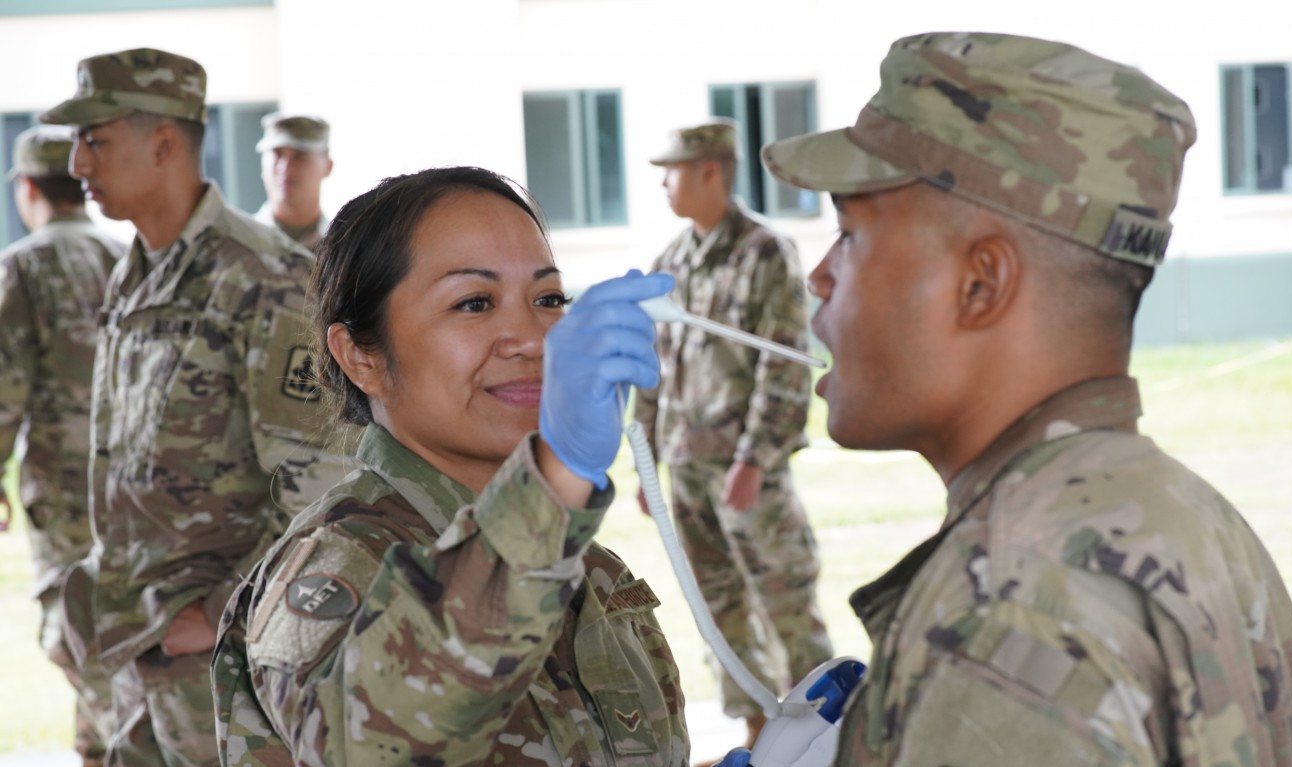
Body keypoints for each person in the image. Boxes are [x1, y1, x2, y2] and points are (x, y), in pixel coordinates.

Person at [750, 31, 1292, 765]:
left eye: (848, 233)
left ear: (982, 284)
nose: (819, 277)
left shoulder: (1009, 612)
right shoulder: (1186, 514)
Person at [212, 166, 690, 766]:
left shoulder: (579, 559)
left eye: (548, 299)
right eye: (474, 303)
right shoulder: (336, 562)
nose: (530, 337)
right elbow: (374, 749)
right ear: (361, 356)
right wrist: (556, 475)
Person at [38, 47, 352, 765]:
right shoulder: (137, 269)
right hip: (140, 647)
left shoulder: (261, 276)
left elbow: (320, 481)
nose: (77, 164)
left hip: (221, 662)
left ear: (163, 142)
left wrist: (217, 611)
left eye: (94, 140)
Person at [635, 118, 832, 744]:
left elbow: (782, 362)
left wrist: (755, 458)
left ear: (712, 172)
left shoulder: (764, 253)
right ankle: (757, 736)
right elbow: (651, 368)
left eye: (672, 171)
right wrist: (647, 462)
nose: (664, 184)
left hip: (748, 471)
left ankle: (828, 736)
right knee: (718, 610)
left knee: (785, 603)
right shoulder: (670, 262)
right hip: (686, 469)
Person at [0, 123, 123, 767]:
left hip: (65, 491)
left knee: (72, 632)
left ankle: (127, 748)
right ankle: (99, 751)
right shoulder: (127, 255)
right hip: (137, 487)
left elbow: (3, 389)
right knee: (113, 623)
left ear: (27, 189)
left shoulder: (23, 266)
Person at [254, 112, 332, 252]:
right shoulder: (241, 242)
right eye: (277, 154)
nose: (285, 169)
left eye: (300, 156)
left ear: (327, 166)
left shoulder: (341, 246)